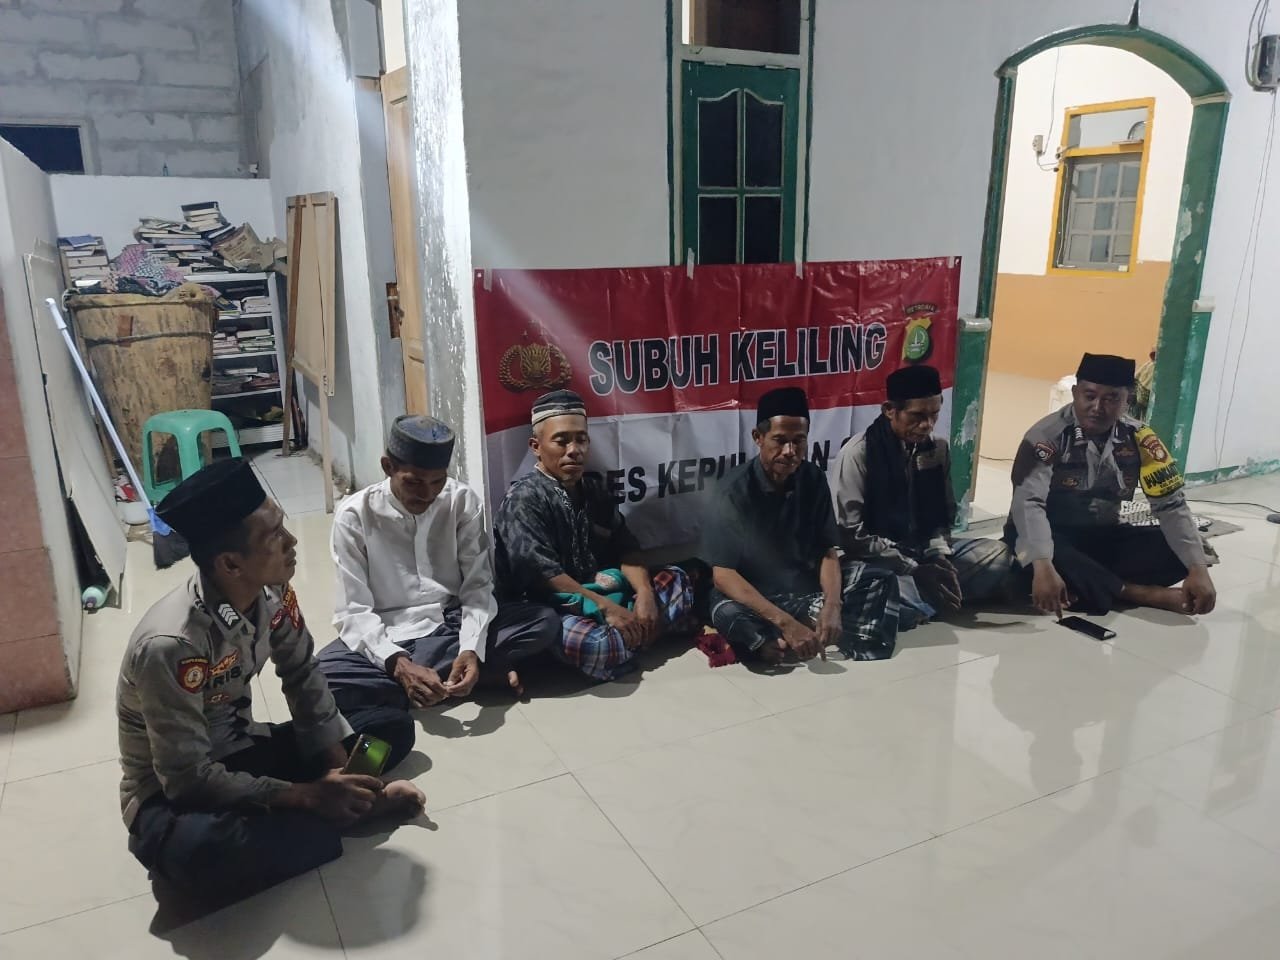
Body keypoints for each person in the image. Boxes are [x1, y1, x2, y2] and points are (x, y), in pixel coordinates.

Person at [117, 459, 424, 902]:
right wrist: (308, 795)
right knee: (196, 853)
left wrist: (339, 770)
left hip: (241, 753)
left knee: (390, 727)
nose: (292, 541)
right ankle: (330, 816)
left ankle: (329, 811)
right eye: (274, 535)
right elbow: (186, 779)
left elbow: (303, 675)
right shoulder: (171, 643)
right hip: (172, 794)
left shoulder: (273, 590)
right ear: (231, 564)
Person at [316, 415, 560, 738]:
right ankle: (470, 675)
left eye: (437, 482)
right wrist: (399, 664)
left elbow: (477, 587)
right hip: (389, 634)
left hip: (451, 623)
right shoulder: (354, 516)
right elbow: (353, 612)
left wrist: (470, 648)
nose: (427, 494)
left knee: (543, 621)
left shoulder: (461, 501)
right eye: (414, 482)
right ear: (388, 467)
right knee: (321, 676)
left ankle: (432, 681)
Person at [493, 389, 696, 681]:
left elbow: (627, 548)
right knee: (594, 645)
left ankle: (630, 636)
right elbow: (543, 575)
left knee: (678, 579)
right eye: (562, 441)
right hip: (556, 607)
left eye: (581, 439)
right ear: (536, 446)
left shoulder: (594, 490)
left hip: (604, 590)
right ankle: (638, 636)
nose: (574, 450)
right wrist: (605, 607)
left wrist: (645, 595)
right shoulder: (524, 498)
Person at [1005, 352, 1217, 617]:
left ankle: (1088, 585)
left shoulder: (1141, 439)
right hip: (1048, 537)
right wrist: (1042, 564)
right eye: (1089, 396)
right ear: (1075, 393)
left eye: (1111, 399)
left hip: (1102, 535)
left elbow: (1171, 505)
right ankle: (1135, 593)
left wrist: (1197, 569)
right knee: (1043, 555)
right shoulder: (1046, 437)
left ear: (1128, 399)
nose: (1097, 407)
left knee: (1191, 550)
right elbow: (1028, 505)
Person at [701, 386, 900, 663]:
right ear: (758, 437)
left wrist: (833, 605)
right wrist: (785, 622)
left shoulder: (813, 478)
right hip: (754, 596)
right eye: (780, 440)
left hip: (803, 588)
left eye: (799, 441)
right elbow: (723, 575)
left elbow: (827, 551)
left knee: (879, 578)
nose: (790, 451)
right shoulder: (733, 491)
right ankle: (781, 634)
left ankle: (795, 632)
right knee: (726, 613)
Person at [830, 364, 1011, 625]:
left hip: (921, 551)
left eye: (934, 415)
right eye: (917, 416)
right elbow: (850, 535)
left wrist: (939, 556)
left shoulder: (937, 448)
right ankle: (923, 596)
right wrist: (913, 568)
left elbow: (942, 515)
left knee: (998, 556)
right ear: (890, 410)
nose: (927, 425)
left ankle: (923, 597)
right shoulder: (859, 453)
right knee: (874, 585)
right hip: (878, 559)